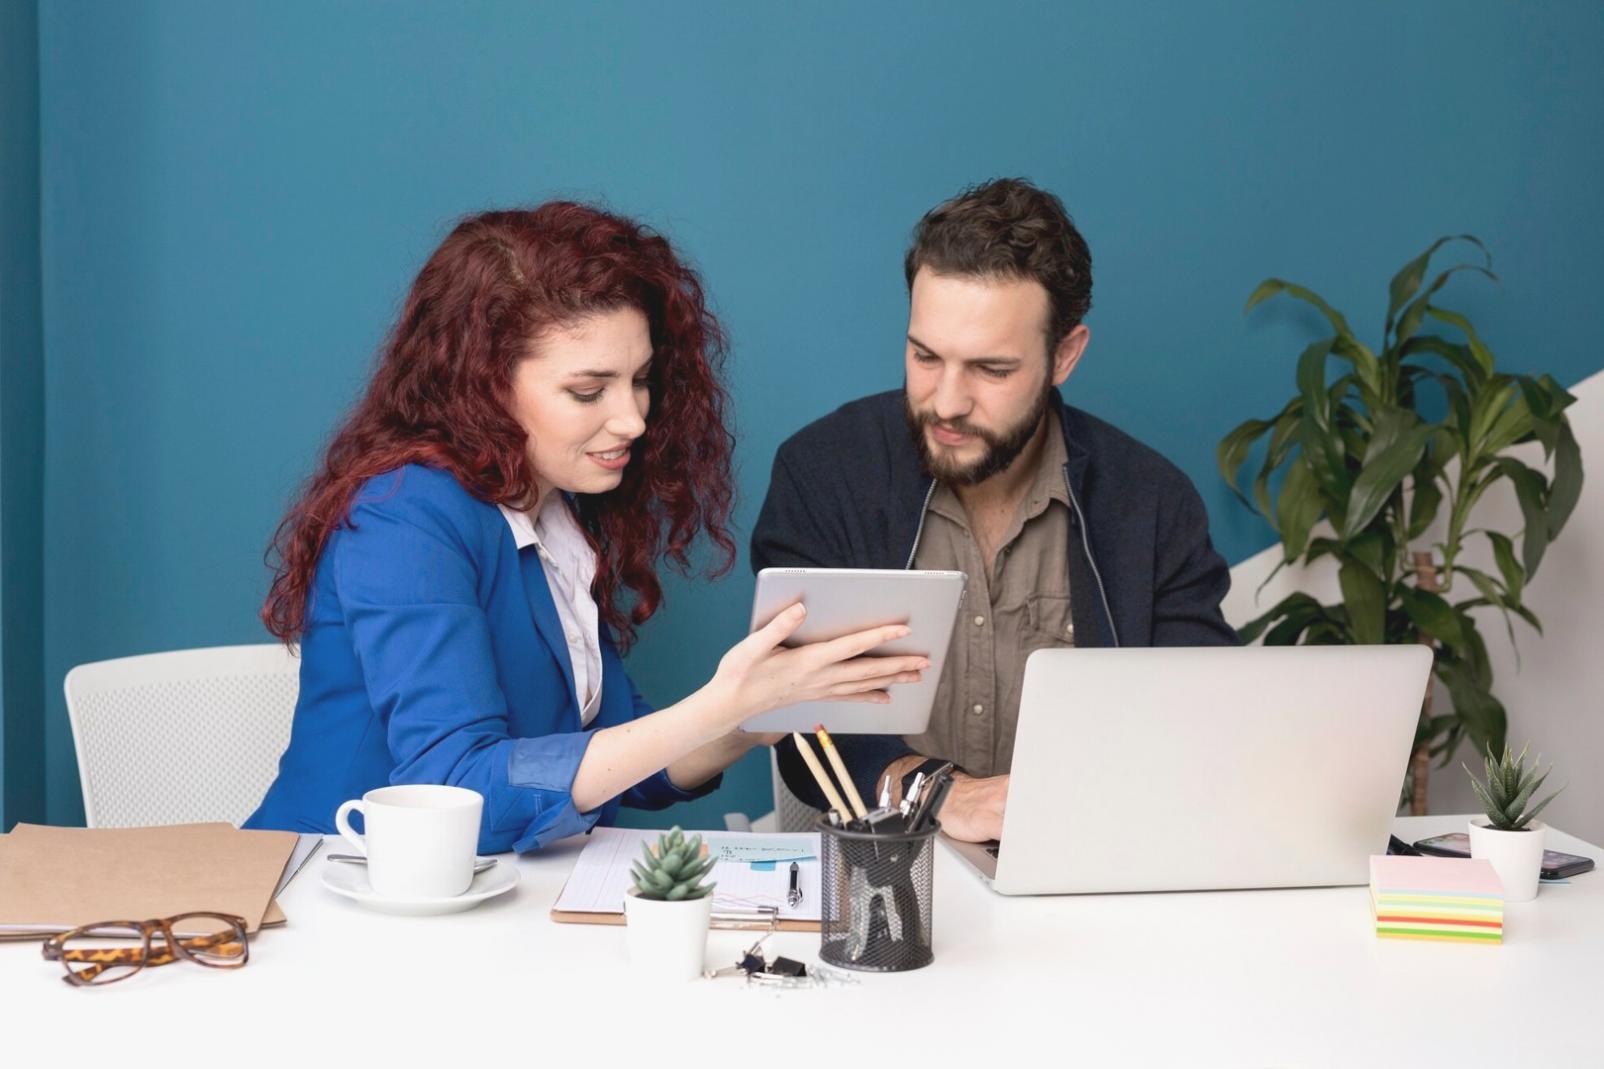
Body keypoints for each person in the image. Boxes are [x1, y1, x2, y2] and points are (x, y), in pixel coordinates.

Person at [245, 203, 929, 854]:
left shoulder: (553, 509)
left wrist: (754, 717)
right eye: (588, 390)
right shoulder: (403, 517)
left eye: (641, 379)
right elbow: (454, 792)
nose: (633, 418)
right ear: (484, 384)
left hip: (480, 908)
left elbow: (621, 755)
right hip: (329, 904)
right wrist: (722, 701)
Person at [752, 178, 1236, 843]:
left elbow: (1200, 718)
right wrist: (939, 792)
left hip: (1089, 874)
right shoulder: (825, 473)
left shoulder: (1151, 502)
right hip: (884, 878)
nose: (946, 401)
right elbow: (800, 717)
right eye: (925, 356)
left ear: (1064, 355)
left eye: (991, 369)